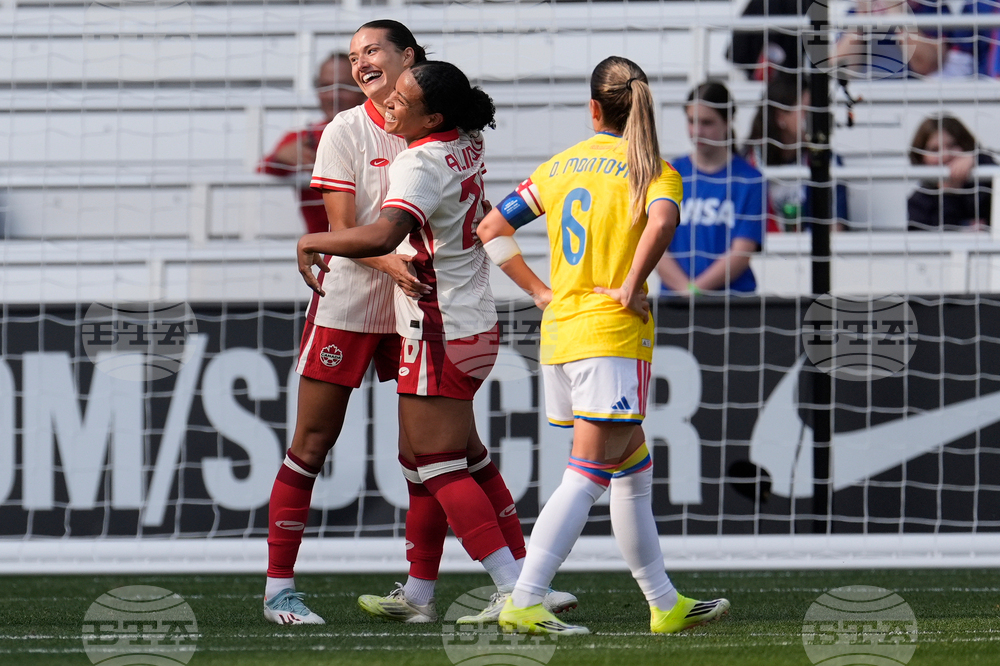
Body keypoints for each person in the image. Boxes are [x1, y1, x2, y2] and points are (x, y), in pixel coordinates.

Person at [264, 22, 575, 626]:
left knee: (436, 457)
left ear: (408, 60)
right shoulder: (350, 131)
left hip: (424, 311)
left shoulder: (424, 134)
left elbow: (381, 228)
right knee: (313, 444)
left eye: (372, 51)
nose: (361, 64)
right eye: (353, 56)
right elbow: (354, 227)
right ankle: (280, 588)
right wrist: (392, 260)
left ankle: (447, 589)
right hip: (355, 303)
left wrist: (324, 244)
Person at [477, 56, 731, 635]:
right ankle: (526, 598)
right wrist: (629, 283)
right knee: (587, 473)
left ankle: (664, 603)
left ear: (593, 108)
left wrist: (539, 291)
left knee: (632, 468)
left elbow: (491, 228)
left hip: (562, 332)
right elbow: (663, 224)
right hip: (611, 338)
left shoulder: (559, 166)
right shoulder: (655, 170)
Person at [657, 81, 765, 296]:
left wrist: (695, 292)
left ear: (727, 122)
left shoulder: (750, 180)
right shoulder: (668, 175)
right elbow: (654, 244)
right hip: (674, 304)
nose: (697, 131)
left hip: (731, 302)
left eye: (707, 122)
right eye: (691, 121)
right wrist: (684, 291)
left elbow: (742, 252)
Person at [258, 53, 366, 233]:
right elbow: (260, 171)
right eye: (325, 86)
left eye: (343, 87)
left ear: (363, 87)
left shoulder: (386, 129)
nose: (333, 96)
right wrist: (280, 157)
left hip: (377, 248)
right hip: (324, 252)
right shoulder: (303, 138)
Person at [743, 73, 849, 232]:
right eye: (807, 112)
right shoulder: (747, 162)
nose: (815, 119)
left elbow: (836, 228)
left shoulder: (827, 159)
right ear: (780, 117)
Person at [907, 114, 995, 230]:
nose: (945, 155)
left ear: (966, 145)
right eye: (934, 150)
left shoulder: (985, 183)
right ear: (921, 157)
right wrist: (948, 194)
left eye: (952, 145)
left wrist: (978, 158)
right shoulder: (919, 203)